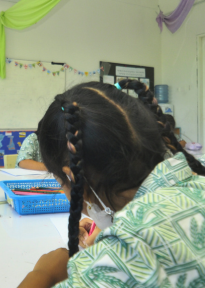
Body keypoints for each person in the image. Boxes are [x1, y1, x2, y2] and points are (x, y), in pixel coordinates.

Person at [18, 79, 205, 288]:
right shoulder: (197, 171)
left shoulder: (118, 261)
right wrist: (115, 224)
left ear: (72, 177)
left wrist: (43, 274)